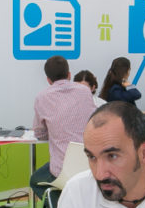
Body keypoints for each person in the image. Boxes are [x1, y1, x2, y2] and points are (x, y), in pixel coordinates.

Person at [29, 56, 97, 199]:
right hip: (90, 164)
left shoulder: (42, 97)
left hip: (62, 171)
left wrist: (54, 131)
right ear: (69, 75)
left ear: (48, 80)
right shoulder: (85, 91)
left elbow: (39, 134)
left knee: (35, 181)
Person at [98, 56, 145, 157]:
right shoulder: (116, 90)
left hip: (124, 130)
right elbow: (137, 94)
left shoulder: (112, 87)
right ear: (126, 71)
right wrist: (127, 84)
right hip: (124, 131)